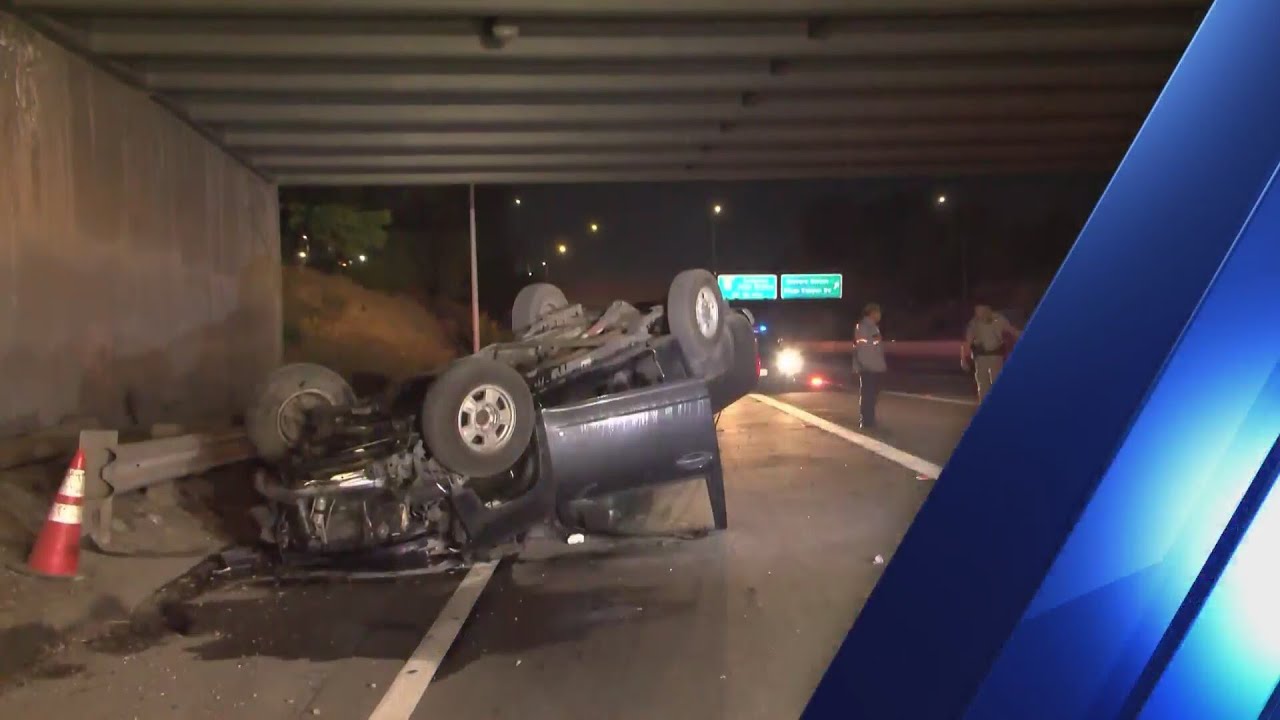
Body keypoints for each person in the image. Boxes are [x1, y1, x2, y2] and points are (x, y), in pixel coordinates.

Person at [962, 302, 1022, 403]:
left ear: (987, 309)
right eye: (976, 310)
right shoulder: (974, 323)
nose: (978, 313)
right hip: (981, 357)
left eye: (980, 310)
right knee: (982, 385)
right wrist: (964, 359)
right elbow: (967, 342)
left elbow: (1012, 331)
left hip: (996, 356)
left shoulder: (999, 319)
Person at [853, 302, 887, 430]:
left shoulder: (872, 327)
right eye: (878, 312)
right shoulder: (863, 326)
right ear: (872, 313)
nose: (880, 315)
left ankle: (869, 420)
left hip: (874, 366)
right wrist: (865, 365)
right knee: (868, 394)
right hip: (868, 366)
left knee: (872, 395)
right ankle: (866, 421)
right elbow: (862, 346)